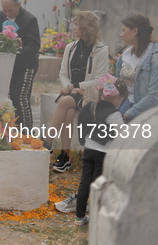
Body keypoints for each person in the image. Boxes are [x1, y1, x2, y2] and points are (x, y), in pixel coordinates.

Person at [54, 75, 128, 226]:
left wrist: (83, 142)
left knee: (85, 183)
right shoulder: (114, 115)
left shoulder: (90, 106)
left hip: (88, 150)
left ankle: (80, 216)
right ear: (116, 98)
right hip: (104, 154)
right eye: (122, 100)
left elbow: (81, 125)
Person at [45, 11, 109, 172]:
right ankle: (65, 157)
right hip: (72, 92)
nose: (72, 27)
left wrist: (76, 85)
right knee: (69, 111)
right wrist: (68, 86)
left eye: (76, 24)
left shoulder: (101, 49)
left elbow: (100, 80)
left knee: (65, 101)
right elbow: (63, 73)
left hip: (91, 93)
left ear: (86, 27)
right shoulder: (70, 47)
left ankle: (46, 142)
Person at [0, 0, 40, 128]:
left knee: (21, 99)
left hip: (25, 65)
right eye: (5, 10)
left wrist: (15, 51)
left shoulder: (30, 20)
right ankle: (13, 129)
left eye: (11, 10)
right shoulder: (1, 16)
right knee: (10, 98)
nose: (7, 14)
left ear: (18, 5)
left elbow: (34, 46)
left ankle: (26, 132)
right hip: (7, 65)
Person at [116, 13, 158, 121]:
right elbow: (119, 86)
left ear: (135, 31)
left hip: (152, 114)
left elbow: (154, 98)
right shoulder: (124, 56)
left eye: (123, 30)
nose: (121, 34)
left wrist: (127, 115)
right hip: (125, 105)